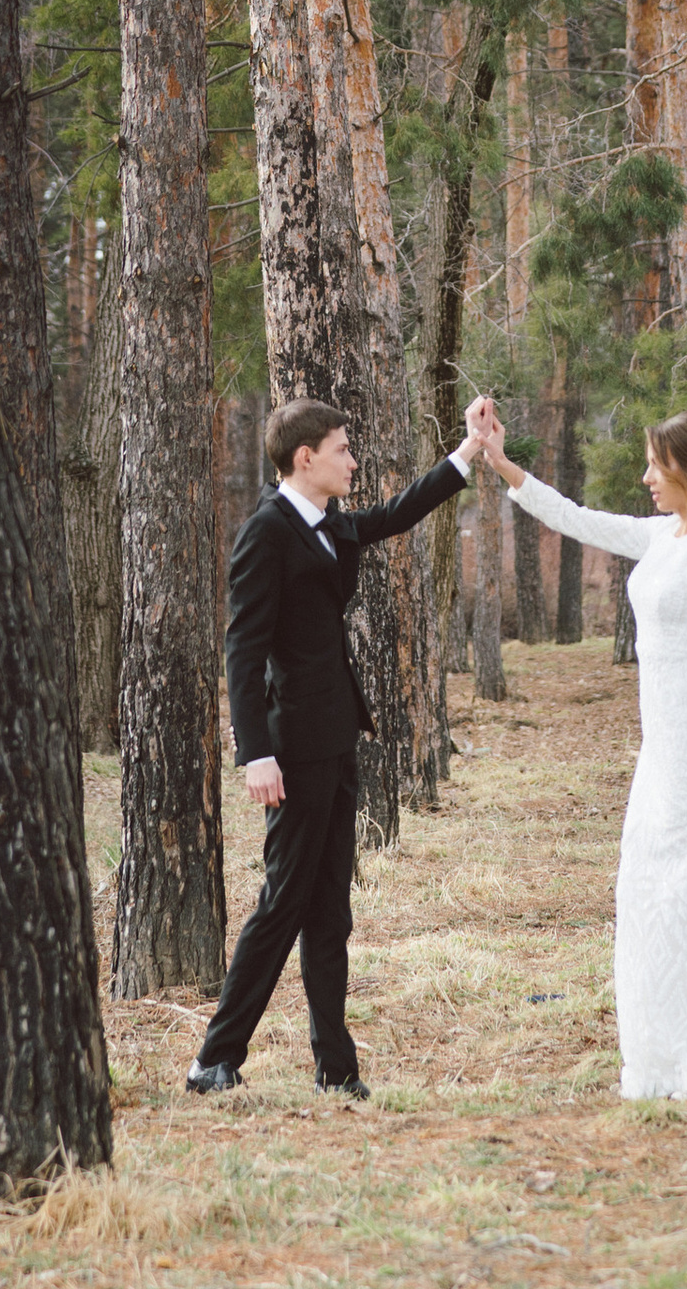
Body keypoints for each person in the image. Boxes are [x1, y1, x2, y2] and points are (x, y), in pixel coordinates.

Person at [470, 402, 687, 1101]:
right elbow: (578, 518)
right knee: (646, 890)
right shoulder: (663, 535)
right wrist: (501, 463)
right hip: (660, 742)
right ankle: (664, 1054)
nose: (647, 475)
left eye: (657, 463)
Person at [187, 395, 491, 1101]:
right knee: (283, 900)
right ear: (305, 458)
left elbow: (397, 514)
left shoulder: (326, 524)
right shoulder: (267, 532)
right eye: (343, 449)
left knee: (329, 908)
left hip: (335, 739)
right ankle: (216, 1056)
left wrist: (468, 451)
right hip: (291, 747)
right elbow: (242, 646)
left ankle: (336, 1066)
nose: (352, 460)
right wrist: (252, 750)